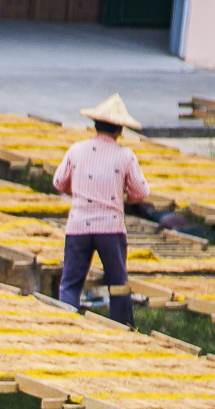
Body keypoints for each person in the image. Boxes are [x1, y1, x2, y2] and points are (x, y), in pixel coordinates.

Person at [52, 93, 149, 327]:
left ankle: (66, 324)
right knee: (117, 283)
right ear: (120, 130)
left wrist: (74, 190)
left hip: (78, 226)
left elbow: (58, 182)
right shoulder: (124, 155)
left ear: (95, 126)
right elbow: (142, 191)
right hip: (110, 229)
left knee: (71, 283)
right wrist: (126, 196)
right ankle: (122, 328)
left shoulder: (77, 150)